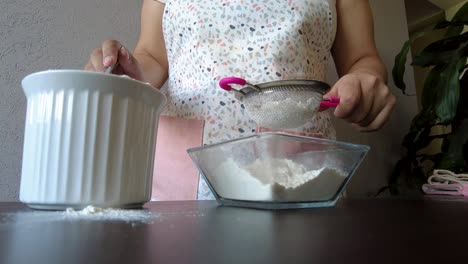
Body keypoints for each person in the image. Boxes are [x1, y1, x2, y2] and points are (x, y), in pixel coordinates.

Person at [85, 0, 396, 200]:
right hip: (187, 170)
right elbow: (152, 55)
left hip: (296, 169)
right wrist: (126, 70)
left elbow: (362, 59)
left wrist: (367, 80)